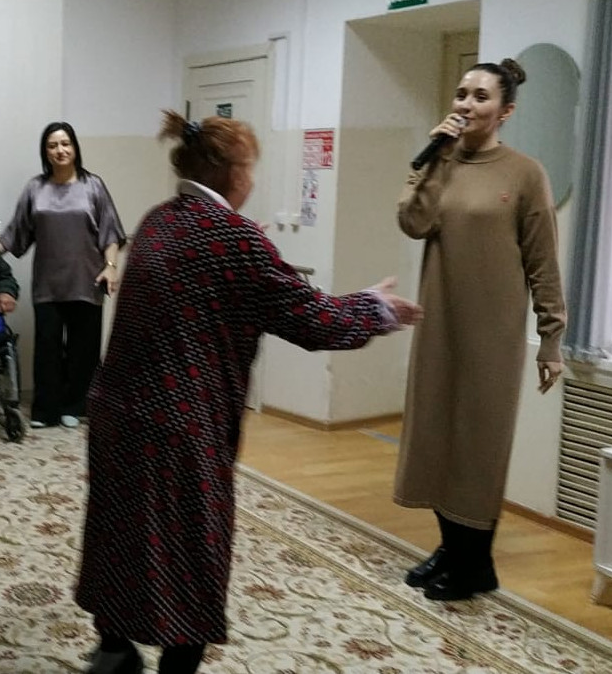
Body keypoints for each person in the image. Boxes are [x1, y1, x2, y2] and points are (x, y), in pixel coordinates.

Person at [74, 110, 423, 674]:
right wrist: (376, 307)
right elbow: (311, 318)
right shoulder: (234, 238)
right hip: (179, 428)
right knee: (191, 556)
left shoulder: (159, 220)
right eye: (251, 168)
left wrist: (269, 259)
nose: (254, 179)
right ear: (233, 172)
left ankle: (114, 649)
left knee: (122, 534)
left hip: (118, 412)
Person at [394, 58, 566, 602]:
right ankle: (455, 552)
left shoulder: (525, 173)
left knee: (478, 444)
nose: (466, 104)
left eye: (481, 97)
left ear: (506, 111)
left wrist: (552, 338)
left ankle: (473, 561)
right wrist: (434, 159)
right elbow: (413, 221)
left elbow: (543, 261)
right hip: (439, 326)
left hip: (492, 333)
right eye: (462, 94)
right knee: (437, 435)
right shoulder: (440, 162)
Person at [0, 122, 127, 430]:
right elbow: (16, 232)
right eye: (53, 145)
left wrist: (111, 266)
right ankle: (46, 410)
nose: (60, 150)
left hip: (87, 279)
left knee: (83, 349)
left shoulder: (93, 185)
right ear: (45, 152)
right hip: (48, 283)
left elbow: (110, 231)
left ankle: (75, 405)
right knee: (47, 348)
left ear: (75, 148)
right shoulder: (35, 188)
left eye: (65, 144)